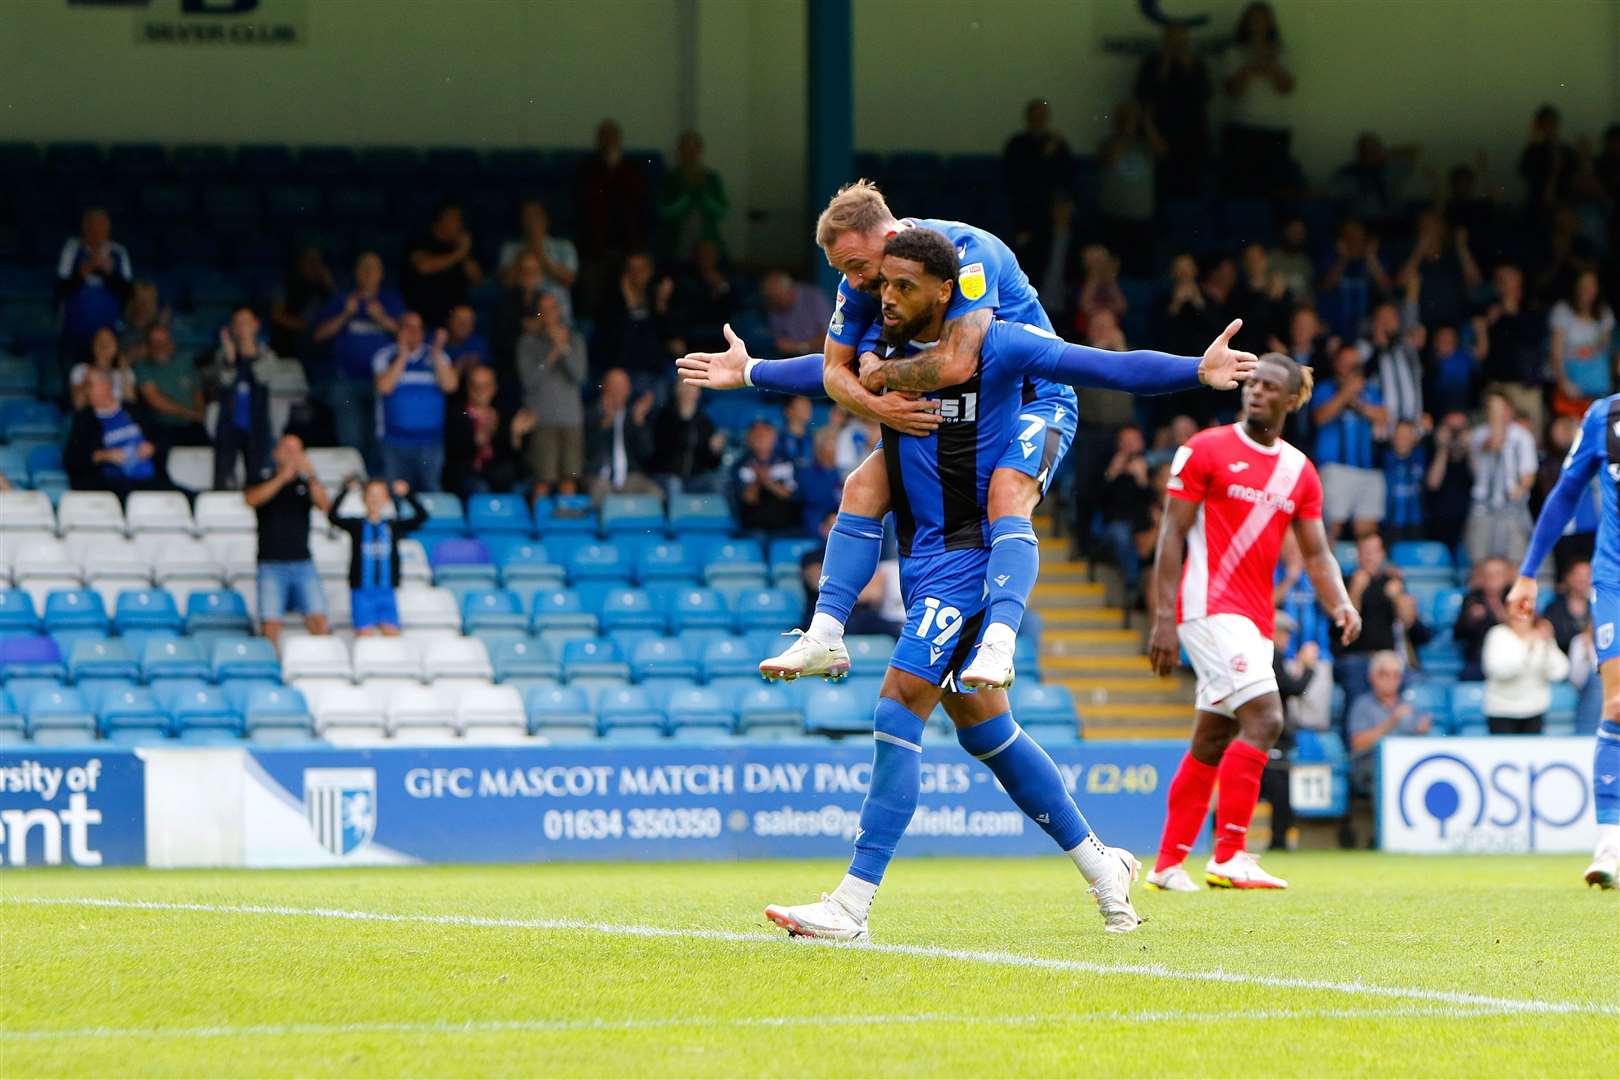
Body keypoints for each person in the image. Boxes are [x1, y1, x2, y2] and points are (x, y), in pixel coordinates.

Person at [759, 226, 1245, 942]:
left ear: (946, 293)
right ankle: (1102, 864)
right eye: (880, 285)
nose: (883, 297)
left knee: (898, 709)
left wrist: (1193, 373)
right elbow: (814, 372)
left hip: (968, 557)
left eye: (901, 288)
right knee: (987, 731)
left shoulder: (1002, 346)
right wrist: (749, 373)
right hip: (926, 550)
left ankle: (851, 905)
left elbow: (1105, 367)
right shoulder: (882, 350)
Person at [678, 185, 1254, 692]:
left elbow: (971, 362)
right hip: (950, 408)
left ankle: (1001, 637)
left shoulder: (966, 257)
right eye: (842, 272)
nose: (853, 284)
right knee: (862, 487)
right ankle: (827, 632)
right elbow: (835, 371)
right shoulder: (868, 283)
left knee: (1007, 492)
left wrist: (1196, 370)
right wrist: (757, 372)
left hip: (1029, 399)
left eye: (856, 265)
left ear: (892, 241)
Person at [1145, 351, 1359, 893]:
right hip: (1208, 607)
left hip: (1253, 617)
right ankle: (1231, 852)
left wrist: (1339, 602)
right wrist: (1162, 620)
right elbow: (1171, 536)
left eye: (1268, 387)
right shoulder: (1205, 449)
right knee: (1266, 718)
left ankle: (1169, 864)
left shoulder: (1299, 472)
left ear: (1291, 401)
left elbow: (1315, 554)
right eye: (1252, 382)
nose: (1255, 391)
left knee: (1213, 737)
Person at [1507, 391, 1620, 887]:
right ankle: (1611, 846)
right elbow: (1565, 493)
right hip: (1616, 580)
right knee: (1617, 704)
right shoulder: (1605, 415)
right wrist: (1529, 572)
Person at [311, 252, 405, 470]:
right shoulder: (342, 300)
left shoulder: (390, 301)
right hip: (347, 382)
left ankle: (374, 486)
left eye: (373, 269)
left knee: (378, 438)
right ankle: (354, 484)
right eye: (364, 268)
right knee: (351, 439)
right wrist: (345, 314)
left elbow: (408, 336)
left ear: (381, 274)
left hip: (381, 382)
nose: (368, 273)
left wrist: (382, 319)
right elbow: (318, 335)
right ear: (356, 272)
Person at [244, 434, 332, 651]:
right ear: (276, 453)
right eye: (287, 449)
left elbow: (325, 505)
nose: (292, 454)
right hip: (271, 562)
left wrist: (310, 474)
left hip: (303, 562)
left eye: (296, 450)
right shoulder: (263, 476)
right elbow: (251, 499)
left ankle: (322, 663)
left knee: (318, 619)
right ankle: (271, 667)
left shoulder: (306, 483)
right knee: (271, 623)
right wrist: (281, 478)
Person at [373, 314, 459, 492]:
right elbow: (385, 387)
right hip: (394, 442)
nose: (413, 332)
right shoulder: (385, 355)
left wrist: (436, 354)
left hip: (431, 442)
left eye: (418, 328)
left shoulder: (436, 355)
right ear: (399, 330)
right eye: (408, 327)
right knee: (396, 493)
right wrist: (403, 355)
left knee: (431, 492)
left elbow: (451, 385)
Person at [331, 478, 427, 637]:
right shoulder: (357, 526)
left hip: (386, 591)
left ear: (386, 499)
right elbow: (333, 517)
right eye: (371, 494)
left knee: (392, 636)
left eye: (380, 494)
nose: (375, 498)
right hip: (362, 592)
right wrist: (345, 491)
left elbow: (422, 517)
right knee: (364, 637)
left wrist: (407, 495)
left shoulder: (393, 525)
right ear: (364, 498)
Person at [1220, 1, 1295, 198]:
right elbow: (1232, 91)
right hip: (1242, 126)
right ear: (1245, 22)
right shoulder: (1233, 52)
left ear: (1271, 23)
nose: (1258, 24)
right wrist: (1250, 67)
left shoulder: (1282, 51)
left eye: (1263, 19)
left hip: (1275, 127)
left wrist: (1271, 65)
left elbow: (1286, 88)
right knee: (1241, 190)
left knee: (1275, 189)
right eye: (1254, 19)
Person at [1312, 343, 1387, 539]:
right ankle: (1323, 570)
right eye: (1347, 363)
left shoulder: (1370, 389)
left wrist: (1359, 404)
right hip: (1335, 468)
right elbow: (1320, 417)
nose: (1352, 367)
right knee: (1330, 528)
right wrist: (1346, 394)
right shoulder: (1326, 388)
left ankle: (1365, 570)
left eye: (1355, 363)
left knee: (1368, 532)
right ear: (1337, 364)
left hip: (1368, 469)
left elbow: (1383, 416)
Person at [517, 291, 588, 497]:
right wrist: (552, 354)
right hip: (542, 419)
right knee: (543, 480)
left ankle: (568, 528)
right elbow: (529, 380)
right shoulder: (527, 343)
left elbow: (579, 375)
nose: (548, 314)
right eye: (544, 309)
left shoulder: (575, 340)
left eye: (552, 309)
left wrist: (564, 348)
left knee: (569, 480)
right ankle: (540, 525)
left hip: (571, 419)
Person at [55, 208, 132, 391]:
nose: (96, 232)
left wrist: (108, 272)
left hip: (109, 333)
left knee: (109, 385)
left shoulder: (118, 252)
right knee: (76, 382)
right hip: (75, 332)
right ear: (84, 229)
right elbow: (61, 289)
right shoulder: (73, 249)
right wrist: (85, 271)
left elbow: (128, 292)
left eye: (101, 227)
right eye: (92, 227)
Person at [1133, 23, 1212, 199]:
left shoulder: (1196, 65)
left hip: (1192, 141)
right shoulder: (1152, 63)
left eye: (1181, 39)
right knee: (1159, 192)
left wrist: (1189, 67)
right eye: (1172, 39)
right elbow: (1143, 100)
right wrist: (1164, 67)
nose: (1177, 44)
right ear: (1165, 40)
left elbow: (1206, 97)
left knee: (1190, 193)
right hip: (1160, 137)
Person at [1465, 391, 1538, 566]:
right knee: (1479, 563)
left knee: (1515, 563)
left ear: (1510, 410)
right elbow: (1495, 443)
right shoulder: (1478, 434)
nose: (1498, 412)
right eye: (1493, 408)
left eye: (1501, 408)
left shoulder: (1523, 436)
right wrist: (1496, 419)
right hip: (1483, 508)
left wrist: (1519, 490)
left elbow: (1529, 473)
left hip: (1513, 508)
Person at [63, 369, 161, 497]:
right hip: (112, 486)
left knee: (184, 498)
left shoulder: (135, 410)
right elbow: (71, 459)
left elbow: (162, 439)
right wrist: (103, 455)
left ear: (107, 385)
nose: (86, 391)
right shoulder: (84, 419)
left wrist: (152, 448)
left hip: (151, 480)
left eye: (90, 385)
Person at [1483, 596, 1570, 735]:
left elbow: (1559, 672)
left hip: (1535, 709)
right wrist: (1528, 649)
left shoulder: (1541, 637)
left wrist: (1547, 643)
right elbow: (1499, 671)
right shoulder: (1498, 635)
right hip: (1502, 710)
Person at [1346, 651, 1430, 796]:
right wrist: (1391, 722)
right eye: (1384, 674)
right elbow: (1357, 744)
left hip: (1406, 765)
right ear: (1372, 676)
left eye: (1396, 674)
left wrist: (1422, 730)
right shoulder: (1362, 705)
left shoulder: (1409, 704)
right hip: (1373, 765)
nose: (1391, 679)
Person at [209, 307, 274, 491]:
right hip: (229, 423)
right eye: (237, 324)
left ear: (256, 326)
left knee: (257, 476)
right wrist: (231, 360)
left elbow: (264, 377)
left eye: (246, 323)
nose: (242, 328)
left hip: (258, 424)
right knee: (223, 476)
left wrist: (250, 355)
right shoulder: (223, 355)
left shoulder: (266, 354)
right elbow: (223, 380)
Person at [1096, 101, 1165, 274]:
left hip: (1142, 220)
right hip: (1114, 219)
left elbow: (1163, 152)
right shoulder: (1109, 143)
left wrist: (1147, 124)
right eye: (1126, 118)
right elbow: (1110, 158)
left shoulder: (1145, 146)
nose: (1130, 121)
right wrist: (1126, 134)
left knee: (1140, 271)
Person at [443, 364, 532, 498]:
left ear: (494, 388)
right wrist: (476, 441)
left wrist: (515, 435)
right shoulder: (457, 414)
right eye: (475, 385)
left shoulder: (504, 415)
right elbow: (453, 456)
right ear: (467, 387)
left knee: (521, 486)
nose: (480, 391)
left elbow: (513, 458)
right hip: (468, 477)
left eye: (486, 385)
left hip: (498, 476)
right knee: (479, 488)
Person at [1478, 263, 1545, 436]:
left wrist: (1512, 313)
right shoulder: (1489, 311)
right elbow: (1481, 351)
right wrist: (1487, 323)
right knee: (1497, 437)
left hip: (1526, 387)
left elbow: (1534, 341)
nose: (1505, 285)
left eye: (1509, 280)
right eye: (1501, 281)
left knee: (1530, 439)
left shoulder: (1532, 308)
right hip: (1497, 385)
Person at [594, 251, 676, 384]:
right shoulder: (612, 303)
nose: (637, 274)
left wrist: (661, 304)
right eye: (632, 269)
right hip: (622, 369)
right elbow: (614, 340)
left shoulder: (655, 299)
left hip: (653, 370)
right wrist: (629, 302)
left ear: (650, 271)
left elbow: (669, 336)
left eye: (641, 269)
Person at [1001, 98, 1073, 249]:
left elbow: (1068, 175)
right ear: (1027, 118)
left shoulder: (1058, 144)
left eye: (1041, 117)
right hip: (1024, 200)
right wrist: (1044, 157)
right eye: (1035, 117)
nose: (1038, 121)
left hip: (1052, 202)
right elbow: (1018, 177)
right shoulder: (1017, 143)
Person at [400, 203, 483, 330]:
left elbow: (477, 279)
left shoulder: (460, 248)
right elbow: (424, 266)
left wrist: (464, 252)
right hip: (425, 317)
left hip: (454, 321)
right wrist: (459, 253)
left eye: (459, 220)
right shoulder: (421, 239)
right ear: (441, 220)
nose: (459, 224)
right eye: (454, 219)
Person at [584, 367, 659, 503]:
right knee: (603, 493)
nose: (618, 391)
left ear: (628, 390)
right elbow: (586, 452)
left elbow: (647, 453)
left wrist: (639, 423)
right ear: (604, 388)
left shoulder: (633, 416)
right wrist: (605, 424)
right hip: (600, 476)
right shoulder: (592, 414)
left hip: (630, 478)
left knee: (655, 494)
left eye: (622, 386)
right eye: (614, 386)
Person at [1098, 425, 1155, 602]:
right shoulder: (1108, 464)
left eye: (1134, 441)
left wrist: (1142, 479)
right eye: (1126, 442)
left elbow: (1155, 500)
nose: (1130, 446)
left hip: (1143, 524)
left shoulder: (1150, 465)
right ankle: (1133, 582)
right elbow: (1095, 500)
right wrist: (1113, 473)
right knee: (1122, 535)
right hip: (1115, 524)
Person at [1549, 268, 1615, 413]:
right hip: (1571, 382)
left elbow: (1605, 346)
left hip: (1598, 383)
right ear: (1576, 287)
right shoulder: (1563, 310)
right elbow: (1556, 353)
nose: (1588, 290)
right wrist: (1563, 382)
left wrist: (1591, 350)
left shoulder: (1604, 312)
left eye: (1592, 285)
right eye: (1584, 285)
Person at [658, 129, 728, 259]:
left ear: (700, 151)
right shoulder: (670, 179)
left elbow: (722, 211)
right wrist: (686, 199)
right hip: (677, 242)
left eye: (693, 150)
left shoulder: (711, 178)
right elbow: (664, 212)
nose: (689, 154)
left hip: (707, 242)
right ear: (680, 152)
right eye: (685, 150)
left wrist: (703, 197)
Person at [134, 324, 207, 447]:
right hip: (163, 426)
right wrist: (190, 413)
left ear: (170, 342)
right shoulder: (143, 366)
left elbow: (197, 390)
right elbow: (154, 399)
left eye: (162, 341)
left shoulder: (185, 362)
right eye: (154, 341)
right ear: (148, 344)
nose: (158, 345)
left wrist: (200, 412)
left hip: (193, 425)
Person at [650, 378, 725, 495]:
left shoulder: (704, 422)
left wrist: (715, 451)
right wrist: (684, 421)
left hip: (695, 478)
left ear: (698, 393)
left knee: (717, 483)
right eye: (684, 386)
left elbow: (713, 464)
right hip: (666, 476)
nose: (688, 391)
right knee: (674, 484)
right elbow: (660, 452)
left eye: (692, 387)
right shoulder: (664, 417)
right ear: (676, 390)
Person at [496, 200, 579, 296]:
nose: (532, 221)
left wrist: (539, 252)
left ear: (546, 219)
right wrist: (526, 251)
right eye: (527, 217)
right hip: (522, 308)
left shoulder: (564, 246)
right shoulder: (509, 248)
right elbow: (506, 283)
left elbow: (569, 280)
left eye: (536, 216)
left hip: (557, 307)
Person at [268, 245, 336, 358]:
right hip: (290, 341)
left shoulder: (325, 288)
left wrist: (328, 280)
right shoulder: (286, 285)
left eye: (317, 261)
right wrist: (304, 327)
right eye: (310, 260)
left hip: (320, 340)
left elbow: (337, 308)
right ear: (300, 263)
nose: (314, 265)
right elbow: (277, 315)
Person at [734, 420, 801, 534]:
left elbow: (789, 494)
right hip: (754, 527)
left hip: (785, 525)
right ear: (749, 439)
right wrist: (759, 481)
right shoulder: (742, 464)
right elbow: (749, 498)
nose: (760, 439)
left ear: (774, 437)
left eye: (765, 435)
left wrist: (767, 481)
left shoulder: (786, 461)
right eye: (756, 435)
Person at [1455, 556, 1513, 682]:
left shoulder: (1516, 598)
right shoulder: (1472, 599)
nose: (1492, 578)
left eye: (1498, 574)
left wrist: (1503, 613)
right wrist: (1470, 619)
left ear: (1507, 576)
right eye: (1488, 574)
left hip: (1511, 657)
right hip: (1479, 659)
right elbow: (1457, 634)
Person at [762, 271, 834, 358]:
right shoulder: (774, 306)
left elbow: (831, 335)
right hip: (793, 360)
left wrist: (800, 347)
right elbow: (780, 342)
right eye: (771, 298)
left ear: (789, 290)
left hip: (823, 358)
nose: (775, 301)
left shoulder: (814, 297)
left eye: (778, 296)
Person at [69, 326, 135, 411]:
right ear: (93, 345)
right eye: (99, 341)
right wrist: (89, 379)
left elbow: (130, 402)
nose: (104, 345)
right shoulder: (81, 369)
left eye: (109, 341)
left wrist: (123, 368)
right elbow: (78, 404)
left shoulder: (124, 371)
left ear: (116, 346)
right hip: (91, 418)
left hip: (118, 419)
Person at [1383, 419, 1427, 542]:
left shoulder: (1422, 456)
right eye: (1400, 434)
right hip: (1389, 520)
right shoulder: (1382, 457)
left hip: (1416, 521)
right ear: (1393, 437)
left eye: (1408, 435)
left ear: (1415, 438)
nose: (1403, 439)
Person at [798, 428, 844, 534]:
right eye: (832, 443)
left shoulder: (842, 471)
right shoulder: (809, 472)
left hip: (841, 521)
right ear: (820, 447)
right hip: (817, 522)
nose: (837, 448)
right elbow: (814, 498)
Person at [442, 304, 489, 372]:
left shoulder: (479, 344)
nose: (463, 324)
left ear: (473, 326)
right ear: (450, 321)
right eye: (459, 318)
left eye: (467, 320)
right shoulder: (436, 341)